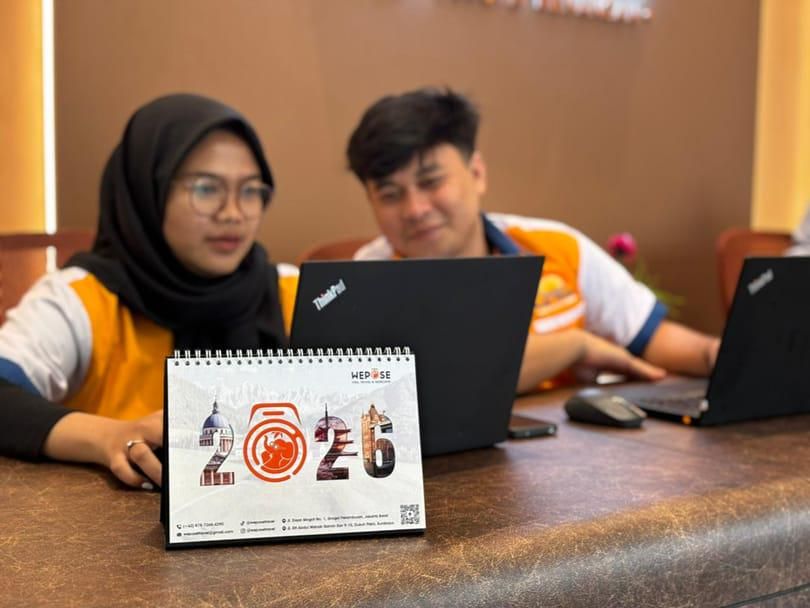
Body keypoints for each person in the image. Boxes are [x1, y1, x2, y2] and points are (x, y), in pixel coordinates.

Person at [0, 93, 297, 488]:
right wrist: (106, 436)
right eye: (206, 189)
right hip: (106, 524)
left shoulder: (292, 291)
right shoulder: (82, 299)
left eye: (250, 191)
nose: (233, 213)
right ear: (147, 191)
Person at [345, 87, 719, 393]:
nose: (415, 209)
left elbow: (649, 336)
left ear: (477, 173)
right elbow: (447, 382)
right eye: (390, 194)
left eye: (431, 182)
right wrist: (575, 346)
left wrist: (712, 353)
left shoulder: (555, 245)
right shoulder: (364, 282)